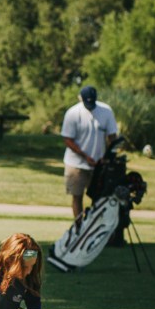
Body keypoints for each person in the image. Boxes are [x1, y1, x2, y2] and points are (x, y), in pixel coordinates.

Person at [61, 85, 118, 225]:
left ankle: (94, 227)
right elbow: (67, 139)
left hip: (99, 164)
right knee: (77, 195)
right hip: (76, 163)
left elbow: (112, 136)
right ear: (80, 98)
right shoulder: (73, 113)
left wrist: (108, 156)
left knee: (98, 197)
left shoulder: (106, 111)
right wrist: (85, 156)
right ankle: (79, 226)